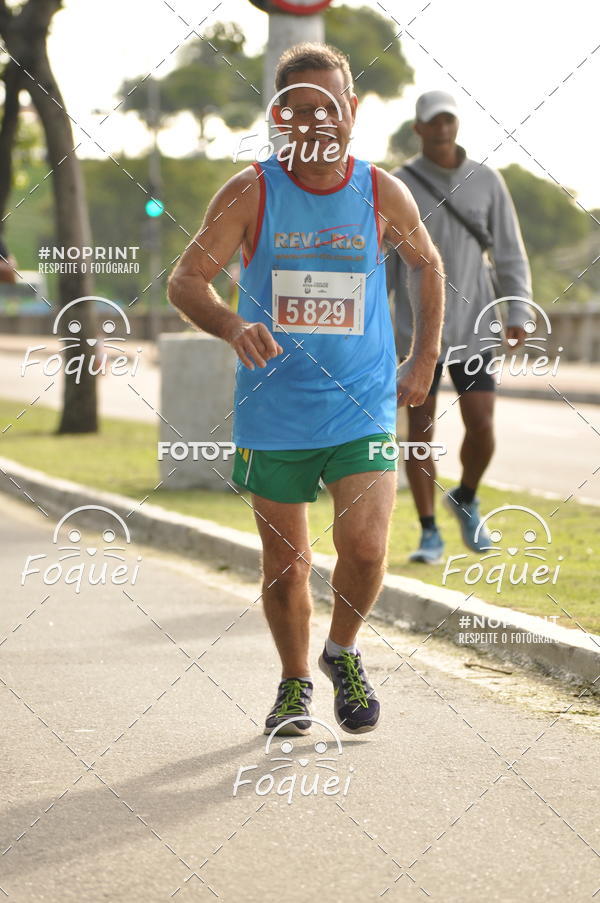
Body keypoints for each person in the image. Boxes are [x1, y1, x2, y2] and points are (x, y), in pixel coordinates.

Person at [168, 44, 444, 736]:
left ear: (351, 112)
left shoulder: (380, 191)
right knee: (288, 564)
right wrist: (233, 326)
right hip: (275, 411)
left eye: (331, 104)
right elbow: (185, 280)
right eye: (303, 107)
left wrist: (423, 357)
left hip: (362, 400)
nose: (319, 117)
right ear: (281, 118)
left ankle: (342, 650)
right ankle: (294, 682)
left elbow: (428, 264)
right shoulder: (250, 191)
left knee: (369, 548)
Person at [386, 90, 533, 564]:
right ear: (419, 129)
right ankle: (429, 531)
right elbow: (385, 263)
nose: (443, 128)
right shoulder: (397, 184)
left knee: (482, 424)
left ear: (456, 124)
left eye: (449, 119)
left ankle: (465, 496)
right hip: (415, 334)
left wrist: (518, 311)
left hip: (475, 328)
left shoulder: (486, 180)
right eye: (434, 121)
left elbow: (510, 251)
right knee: (421, 431)